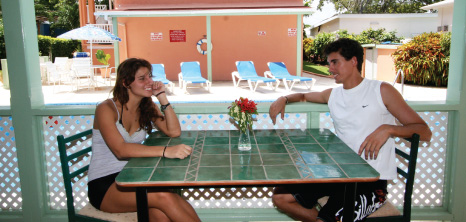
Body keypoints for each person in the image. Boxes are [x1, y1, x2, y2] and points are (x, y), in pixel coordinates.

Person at [269, 38, 432, 222]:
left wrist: (388, 129)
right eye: (329, 63)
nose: (330, 69)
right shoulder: (333, 94)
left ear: (353, 61)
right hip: (337, 174)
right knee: (280, 197)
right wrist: (284, 98)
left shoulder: (381, 90)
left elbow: (424, 131)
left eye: (335, 62)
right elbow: (304, 95)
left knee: (328, 218)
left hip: (370, 183)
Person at [87, 58, 201, 222]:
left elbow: (174, 131)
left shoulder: (146, 106)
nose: (150, 82)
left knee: (161, 213)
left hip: (134, 176)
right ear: (126, 83)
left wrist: (161, 96)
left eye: (149, 76)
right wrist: (165, 151)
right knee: (164, 196)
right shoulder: (106, 109)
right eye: (142, 79)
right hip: (106, 184)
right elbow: (120, 150)